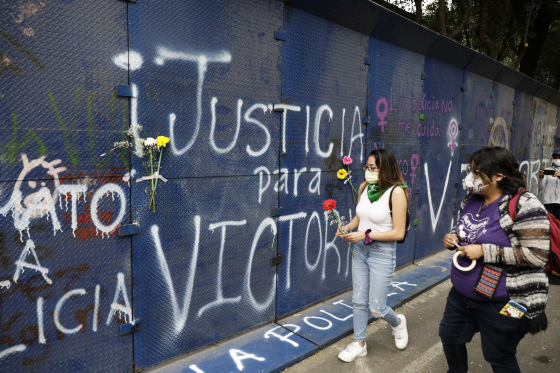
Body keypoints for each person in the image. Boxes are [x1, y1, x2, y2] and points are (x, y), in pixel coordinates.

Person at [441, 146, 550, 373]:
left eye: (476, 173)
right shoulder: (472, 198)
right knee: (449, 338)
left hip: (504, 303)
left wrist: (483, 252)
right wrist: (454, 237)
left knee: (499, 355)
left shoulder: (525, 204)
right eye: (470, 171)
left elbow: (537, 255)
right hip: (461, 297)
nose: (470, 178)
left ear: (498, 176)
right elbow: (466, 228)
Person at [335, 149, 409, 362]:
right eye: (367, 167)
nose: (368, 171)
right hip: (360, 250)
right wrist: (346, 227)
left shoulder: (397, 192)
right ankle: (359, 343)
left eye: (373, 168)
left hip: (382, 253)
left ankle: (398, 323)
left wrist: (364, 235)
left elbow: (398, 232)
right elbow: (360, 217)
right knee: (358, 300)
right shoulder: (364, 187)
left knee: (377, 308)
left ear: (385, 168)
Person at [538, 148, 560, 220]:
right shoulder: (548, 170)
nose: (557, 160)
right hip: (549, 204)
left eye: (559, 158)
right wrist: (541, 178)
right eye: (555, 158)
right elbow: (541, 188)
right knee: (550, 226)